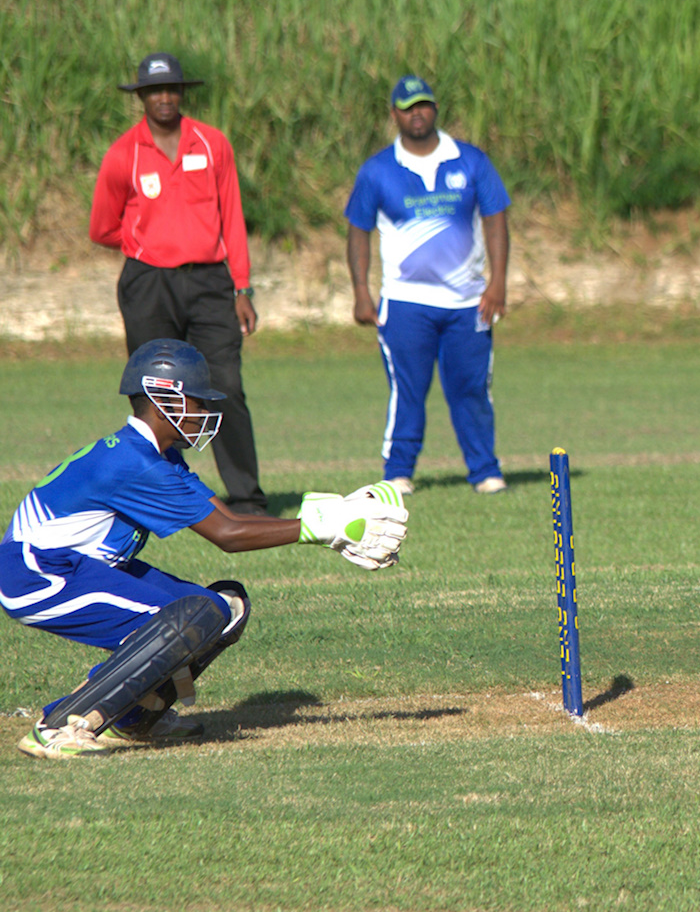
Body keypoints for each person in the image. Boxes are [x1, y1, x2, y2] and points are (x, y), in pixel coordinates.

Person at [3, 339, 409, 759]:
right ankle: (58, 726)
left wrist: (333, 517)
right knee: (196, 615)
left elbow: (230, 518)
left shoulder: (157, 457)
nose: (204, 413)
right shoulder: (135, 462)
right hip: (37, 573)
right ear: (164, 399)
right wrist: (324, 528)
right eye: (197, 402)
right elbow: (227, 535)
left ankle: (132, 719)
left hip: (72, 566)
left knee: (226, 606)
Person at [89, 52, 270, 515]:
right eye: (154, 91)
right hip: (148, 284)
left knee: (225, 383)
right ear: (142, 98)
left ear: (182, 93)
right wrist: (147, 245)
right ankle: (159, 495)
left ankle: (247, 499)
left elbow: (233, 218)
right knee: (154, 392)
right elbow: (102, 228)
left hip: (210, 282)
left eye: (172, 89)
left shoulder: (211, 145)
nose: (164, 98)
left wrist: (242, 287)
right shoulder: (123, 154)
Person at [345, 75, 512, 496]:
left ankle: (485, 471)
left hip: (468, 302)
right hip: (406, 303)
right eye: (407, 106)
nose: (416, 113)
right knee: (408, 391)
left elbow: (496, 220)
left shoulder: (471, 161)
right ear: (394, 114)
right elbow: (358, 231)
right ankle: (398, 473)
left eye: (423, 104)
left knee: (471, 388)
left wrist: (498, 283)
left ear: (435, 108)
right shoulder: (378, 170)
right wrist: (362, 292)